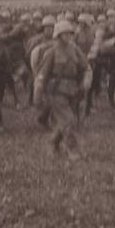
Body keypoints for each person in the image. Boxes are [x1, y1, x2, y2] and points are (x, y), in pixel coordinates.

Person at [34, 19, 88, 159]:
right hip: (55, 91)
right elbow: (42, 74)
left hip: (73, 90)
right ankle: (73, 150)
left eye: (70, 34)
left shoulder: (75, 49)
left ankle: (53, 143)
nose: (68, 36)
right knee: (68, 119)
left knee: (64, 121)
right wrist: (38, 93)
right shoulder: (51, 52)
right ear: (58, 35)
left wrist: (85, 82)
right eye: (65, 34)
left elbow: (85, 67)